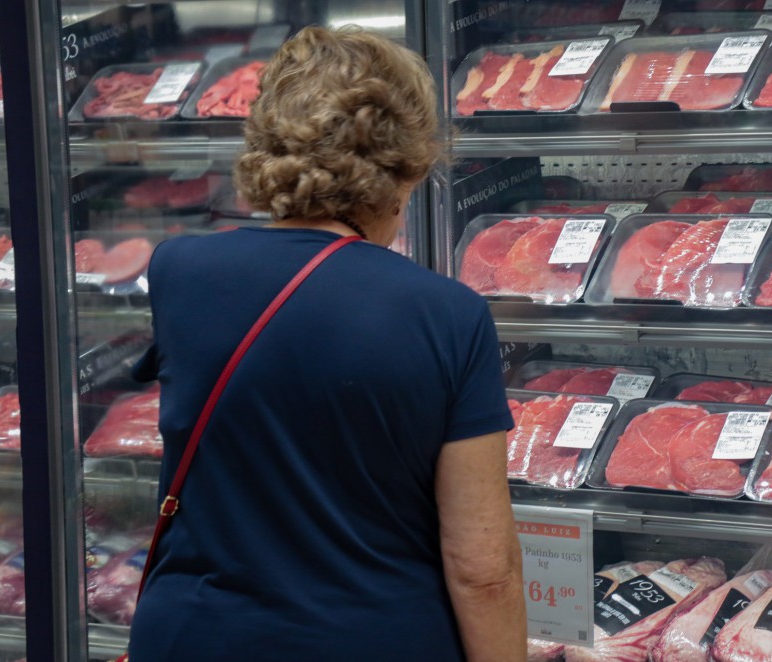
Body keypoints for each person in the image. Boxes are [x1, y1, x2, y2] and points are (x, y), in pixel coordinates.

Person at [127, 26, 526, 661]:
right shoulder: (449, 315)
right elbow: (484, 570)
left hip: (199, 636)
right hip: (374, 638)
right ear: (404, 161)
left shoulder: (179, 272)